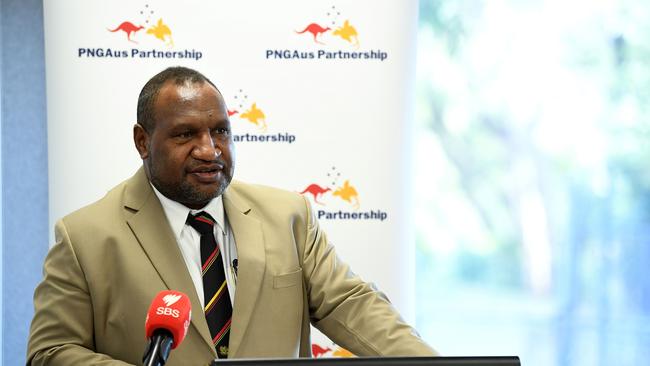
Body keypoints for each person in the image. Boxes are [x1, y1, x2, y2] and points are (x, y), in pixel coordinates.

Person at [27, 66, 437, 365]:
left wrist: (432, 365)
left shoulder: (287, 216)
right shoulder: (84, 237)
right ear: (142, 141)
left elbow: (352, 305)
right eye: (185, 134)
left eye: (220, 131)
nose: (209, 150)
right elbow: (50, 353)